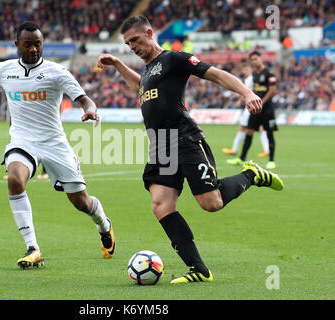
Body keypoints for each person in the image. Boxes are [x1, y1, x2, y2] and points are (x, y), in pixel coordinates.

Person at [97, 16, 283, 284]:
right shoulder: (148, 70)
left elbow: (215, 73)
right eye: (127, 43)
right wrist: (117, 64)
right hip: (160, 147)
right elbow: (139, 86)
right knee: (161, 205)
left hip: (185, 139)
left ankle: (252, 175)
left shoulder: (173, 59)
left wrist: (246, 93)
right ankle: (198, 269)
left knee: (211, 203)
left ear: (149, 33)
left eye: (135, 40)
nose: (132, 47)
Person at [0, 21, 116, 269]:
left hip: (54, 143)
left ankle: (104, 225)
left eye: (38, 44)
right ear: (17, 45)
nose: (34, 49)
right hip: (22, 140)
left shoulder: (56, 71)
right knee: (14, 180)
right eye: (28, 44)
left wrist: (91, 110)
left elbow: (84, 99)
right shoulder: (3, 70)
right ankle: (33, 248)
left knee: (81, 202)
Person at [227, 51, 278, 169]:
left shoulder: (269, 74)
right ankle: (241, 158)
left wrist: (261, 102)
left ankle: (271, 160)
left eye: (256, 58)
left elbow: (272, 91)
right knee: (249, 132)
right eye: (252, 60)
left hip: (267, 110)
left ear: (260, 58)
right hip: (256, 109)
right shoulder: (254, 75)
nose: (254, 61)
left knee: (269, 133)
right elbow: (254, 90)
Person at [222, 61, 269, 157]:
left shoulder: (251, 78)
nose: (244, 71)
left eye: (245, 69)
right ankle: (266, 150)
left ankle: (235, 150)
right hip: (251, 105)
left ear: (250, 68)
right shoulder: (249, 79)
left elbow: (250, 92)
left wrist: (241, 100)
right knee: (255, 127)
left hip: (251, 106)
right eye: (243, 69)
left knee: (250, 127)